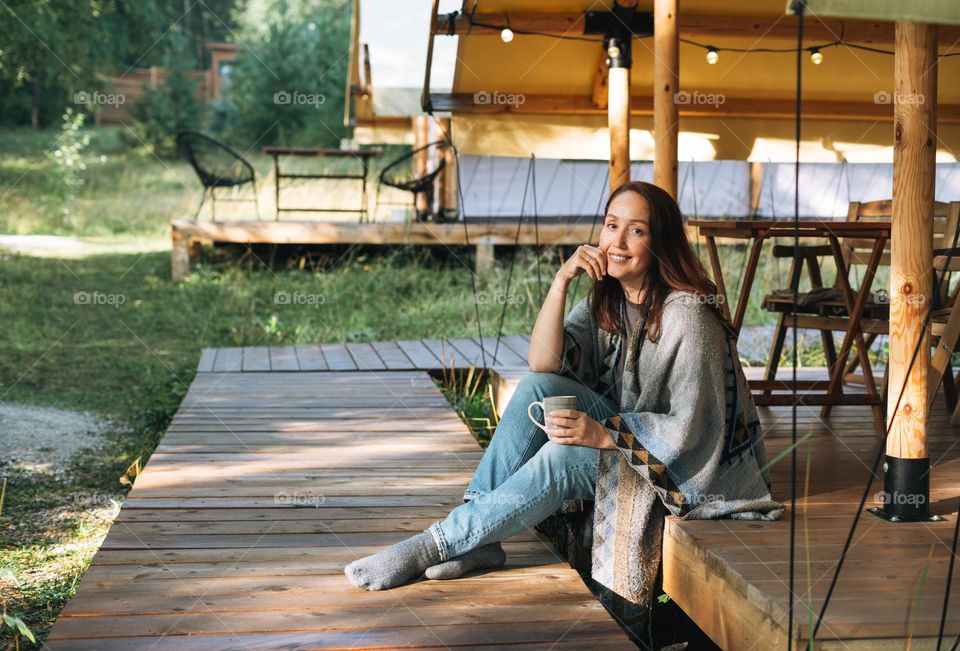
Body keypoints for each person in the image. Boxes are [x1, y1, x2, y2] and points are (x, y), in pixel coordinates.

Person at [344, 181, 784, 606]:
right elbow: (543, 364)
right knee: (538, 388)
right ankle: (481, 538)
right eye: (612, 225)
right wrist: (560, 282)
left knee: (562, 458)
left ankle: (435, 543)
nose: (618, 241)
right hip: (637, 431)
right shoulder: (610, 296)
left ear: (661, 243)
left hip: (698, 471)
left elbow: (693, 427)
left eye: (637, 230)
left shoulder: (688, 317)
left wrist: (606, 434)